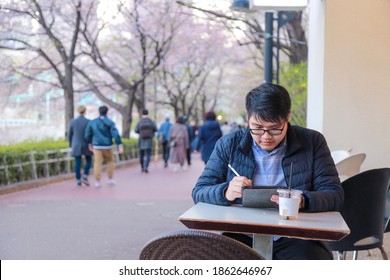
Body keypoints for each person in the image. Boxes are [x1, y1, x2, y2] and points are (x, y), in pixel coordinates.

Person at [192, 83, 344, 260]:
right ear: (248, 117)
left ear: (287, 117)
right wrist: (226, 192)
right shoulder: (229, 144)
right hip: (242, 234)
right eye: (257, 127)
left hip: (296, 236)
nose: (265, 137)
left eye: (274, 128)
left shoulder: (312, 142)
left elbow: (334, 195)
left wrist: (302, 201)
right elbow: (199, 192)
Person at [85, 105, 123, 187]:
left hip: (97, 146)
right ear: (107, 112)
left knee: (97, 162)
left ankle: (97, 181)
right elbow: (115, 134)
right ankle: (110, 179)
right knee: (110, 161)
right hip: (108, 146)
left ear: (99, 112)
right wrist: (119, 144)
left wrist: (90, 144)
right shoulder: (110, 122)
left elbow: (87, 134)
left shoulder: (92, 122)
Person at [68, 105, 93, 187]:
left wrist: (70, 144)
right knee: (89, 160)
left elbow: (69, 135)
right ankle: (85, 175)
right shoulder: (89, 122)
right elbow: (90, 134)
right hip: (86, 144)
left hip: (76, 144)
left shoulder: (73, 122)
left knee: (77, 162)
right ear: (85, 111)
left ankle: (78, 179)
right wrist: (91, 143)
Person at [135, 109, 157, 173]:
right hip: (149, 140)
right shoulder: (151, 121)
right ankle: (146, 167)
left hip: (141, 140)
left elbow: (136, 130)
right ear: (148, 114)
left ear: (142, 114)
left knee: (141, 155)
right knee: (148, 154)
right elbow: (155, 129)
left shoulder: (140, 122)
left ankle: (142, 167)